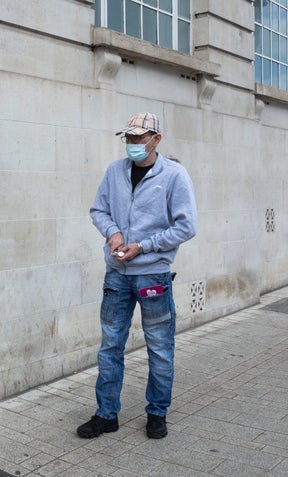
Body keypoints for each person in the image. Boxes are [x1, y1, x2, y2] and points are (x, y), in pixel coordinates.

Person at [78, 112, 197, 440]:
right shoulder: (115, 172)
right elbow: (98, 210)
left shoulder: (174, 175)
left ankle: (157, 413)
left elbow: (186, 226)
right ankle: (106, 414)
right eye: (128, 138)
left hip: (153, 277)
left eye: (138, 138)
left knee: (159, 346)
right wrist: (113, 233)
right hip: (116, 273)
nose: (131, 144)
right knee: (110, 345)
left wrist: (143, 247)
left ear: (156, 139)